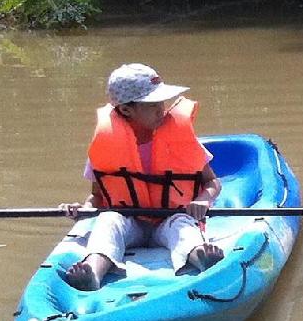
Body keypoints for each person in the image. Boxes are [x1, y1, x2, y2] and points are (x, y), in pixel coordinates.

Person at [57, 63, 224, 291]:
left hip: (170, 217)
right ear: (126, 110)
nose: (161, 110)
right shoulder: (106, 145)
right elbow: (97, 197)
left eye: (161, 103)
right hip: (129, 222)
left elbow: (212, 182)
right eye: (152, 105)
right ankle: (93, 271)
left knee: (182, 225)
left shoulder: (181, 140)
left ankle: (199, 255)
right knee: (108, 219)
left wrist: (203, 200)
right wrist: (83, 209)